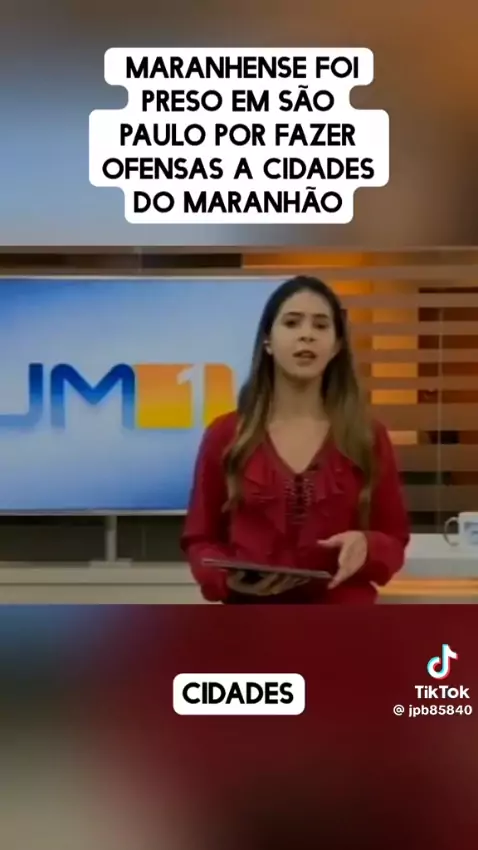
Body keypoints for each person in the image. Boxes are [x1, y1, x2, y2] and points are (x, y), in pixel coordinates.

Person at [181, 276, 410, 604]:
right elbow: (200, 539)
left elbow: (394, 538)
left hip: (344, 624)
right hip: (251, 622)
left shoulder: (367, 437)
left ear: (336, 346)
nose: (307, 334)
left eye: (321, 325)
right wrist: (226, 578)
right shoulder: (226, 435)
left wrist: (366, 546)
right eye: (291, 323)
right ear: (268, 341)